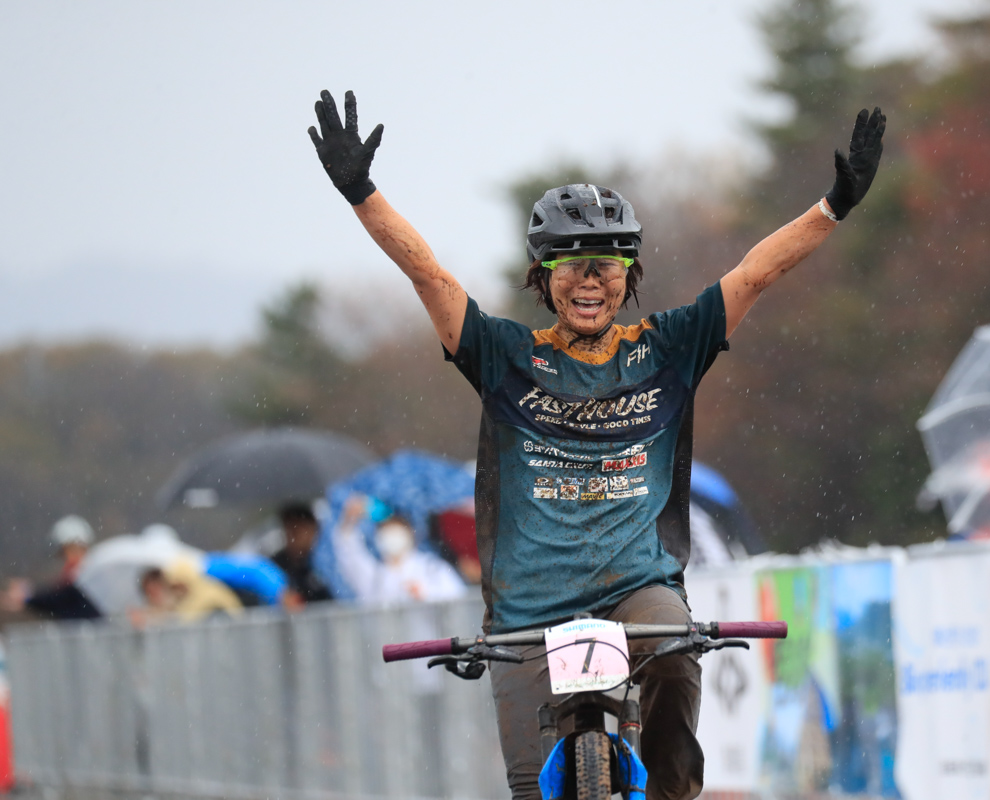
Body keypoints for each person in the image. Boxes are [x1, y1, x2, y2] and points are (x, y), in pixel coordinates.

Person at [308, 89, 885, 800]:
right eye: (570, 264)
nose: (589, 280)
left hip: (635, 591)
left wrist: (834, 205)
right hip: (527, 608)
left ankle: (671, 788)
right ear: (543, 278)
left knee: (675, 653)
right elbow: (429, 275)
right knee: (531, 789)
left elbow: (757, 271)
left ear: (629, 275)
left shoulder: (670, 347)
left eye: (607, 264)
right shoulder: (501, 354)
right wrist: (362, 193)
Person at [332, 495, 467, 607]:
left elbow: (458, 601)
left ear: (410, 532)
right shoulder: (375, 576)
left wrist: (426, 595)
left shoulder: (432, 568)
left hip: (428, 638)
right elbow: (349, 555)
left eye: (397, 528)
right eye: (385, 529)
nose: (391, 535)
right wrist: (348, 520)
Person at [2, 515, 102, 621]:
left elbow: (61, 599)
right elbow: (57, 597)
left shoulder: (88, 576)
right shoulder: (78, 574)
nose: (66, 557)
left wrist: (28, 597)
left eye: (67, 550)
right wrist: (29, 596)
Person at [271, 502, 333, 604]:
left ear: (313, 529)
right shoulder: (275, 565)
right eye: (289, 529)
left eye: (298, 531)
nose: (292, 537)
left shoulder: (324, 563)